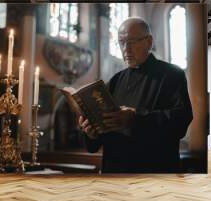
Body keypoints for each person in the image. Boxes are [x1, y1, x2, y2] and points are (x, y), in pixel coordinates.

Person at [78, 17, 193, 173]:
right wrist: (91, 133)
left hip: (154, 173)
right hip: (115, 173)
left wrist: (135, 118)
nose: (126, 48)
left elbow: (181, 120)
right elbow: (100, 138)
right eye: (121, 42)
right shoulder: (115, 81)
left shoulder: (172, 75)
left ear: (149, 42)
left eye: (132, 41)